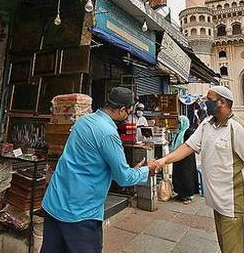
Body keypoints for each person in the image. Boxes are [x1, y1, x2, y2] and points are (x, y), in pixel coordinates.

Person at [41, 87, 158, 253]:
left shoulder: (84, 120)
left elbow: (89, 160)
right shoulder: (108, 134)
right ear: (122, 110)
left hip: (54, 202)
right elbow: (123, 178)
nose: (129, 116)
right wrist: (147, 170)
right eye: (129, 112)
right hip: (80, 214)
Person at [155, 86, 244, 253]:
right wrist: (162, 161)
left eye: (209, 99)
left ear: (222, 102)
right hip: (218, 205)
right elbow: (187, 147)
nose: (205, 103)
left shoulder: (237, 128)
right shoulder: (207, 125)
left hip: (235, 208)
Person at [171, 115, 199, 204]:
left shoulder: (188, 132)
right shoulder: (179, 132)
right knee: (178, 176)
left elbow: (189, 145)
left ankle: (189, 196)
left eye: (179, 122)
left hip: (187, 159)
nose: (178, 124)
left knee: (186, 176)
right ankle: (180, 194)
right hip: (177, 157)